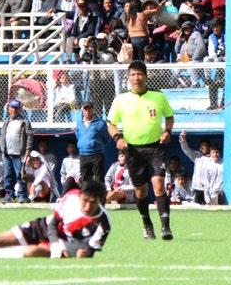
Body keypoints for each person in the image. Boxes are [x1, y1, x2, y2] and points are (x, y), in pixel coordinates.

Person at [106, 61, 175, 240]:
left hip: (156, 148)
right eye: (133, 75)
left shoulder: (158, 97)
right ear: (128, 77)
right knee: (140, 191)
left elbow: (169, 117)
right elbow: (111, 124)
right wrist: (117, 138)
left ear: (146, 76)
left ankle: (166, 227)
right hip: (133, 151)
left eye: (140, 74)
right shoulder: (120, 100)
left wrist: (167, 132)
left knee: (159, 184)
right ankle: (147, 224)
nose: (136, 78)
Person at [0, 99, 33, 204]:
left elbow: (29, 138)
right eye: (12, 107)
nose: (14, 110)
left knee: (20, 175)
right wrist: (3, 150)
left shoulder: (25, 122)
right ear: (8, 109)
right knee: (7, 175)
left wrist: (27, 153)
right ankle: (9, 195)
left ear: (20, 109)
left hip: (19, 154)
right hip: (7, 153)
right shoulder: (6, 122)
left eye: (16, 108)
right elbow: (2, 136)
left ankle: (22, 196)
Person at [75, 102, 108, 184]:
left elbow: (106, 138)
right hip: (83, 155)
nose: (87, 111)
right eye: (85, 109)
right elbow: (78, 136)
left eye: (89, 108)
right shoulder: (79, 123)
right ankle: (87, 193)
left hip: (97, 155)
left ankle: (100, 193)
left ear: (93, 109)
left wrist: (96, 145)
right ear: (82, 110)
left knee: (99, 179)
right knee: (85, 179)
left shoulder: (101, 123)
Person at [179, 131, 210, 204]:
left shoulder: (212, 158)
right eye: (201, 146)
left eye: (204, 145)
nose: (202, 147)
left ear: (209, 148)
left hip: (208, 188)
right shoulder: (197, 156)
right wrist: (183, 139)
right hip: (197, 187)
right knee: (197, 206)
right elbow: (186, 150)